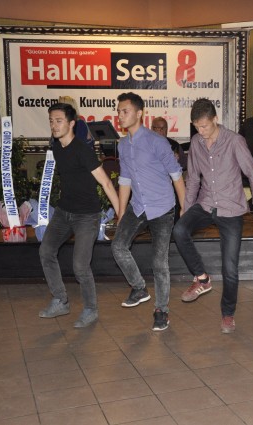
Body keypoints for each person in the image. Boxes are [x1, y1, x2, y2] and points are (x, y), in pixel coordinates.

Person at [172, 98, 253, 334]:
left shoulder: (234, 141)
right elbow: (193, 178)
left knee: (230, 268)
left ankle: (228, 314)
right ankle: (202, 279)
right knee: (179, 229)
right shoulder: (196, 143)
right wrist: (186, 207)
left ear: (215, 119)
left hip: (231, 209)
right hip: (206, 203)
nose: (201, 132)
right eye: (197, 127)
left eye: (205, 126)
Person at [38, 102, 120, 328]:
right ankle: (60, 300)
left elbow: (106, 183)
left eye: (59, 121)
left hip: (87, 216)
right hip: (64, 211)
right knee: (46, 251)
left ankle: (90, 309)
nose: (54, 125)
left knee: (80, 266)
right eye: (51, 121)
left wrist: (120, 214)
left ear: (72, 123)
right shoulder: (56, 147)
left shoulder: (83, 150)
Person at [111, 93, 186, 332]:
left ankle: (161, 311)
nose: (120, 115)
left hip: (162, 207)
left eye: (125, 111)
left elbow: (176, 175)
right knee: (118, 246)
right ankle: (139, 287)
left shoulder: (157, 142)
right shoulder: (123, 145)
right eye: (119, 111)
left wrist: (184, 208)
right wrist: (121, 212)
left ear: (139, 113)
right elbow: (125, 180)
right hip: (138, 206)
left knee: (159, 262)